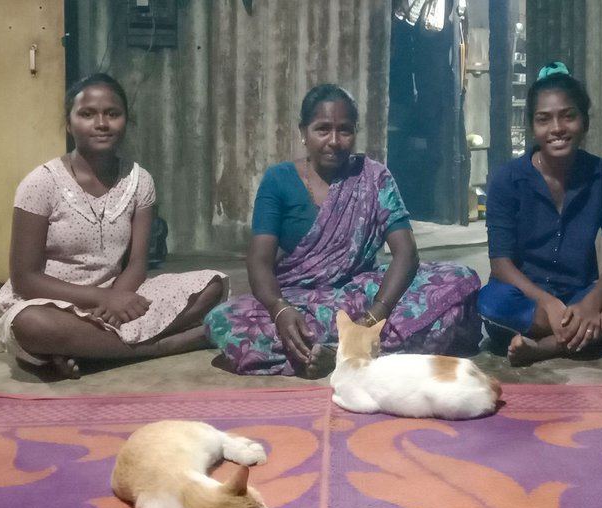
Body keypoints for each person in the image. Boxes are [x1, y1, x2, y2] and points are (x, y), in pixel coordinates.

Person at [204, 84, 481, 376]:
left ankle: (333, 353)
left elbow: (406, 253)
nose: (334, 141)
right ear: (303, 132)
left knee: (457, 280)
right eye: (322, 129)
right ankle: (357, 354)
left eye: (344, 130)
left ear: (355, 132)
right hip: (302, 299)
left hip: (364, 295)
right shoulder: (278, 180)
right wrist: (280, 308)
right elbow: (259, 260)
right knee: (224, 319)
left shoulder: (374, 177)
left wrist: (375, 317)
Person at [0, 73, 228, 379]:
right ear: (69, 123)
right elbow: (25, 278)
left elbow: (138, 263)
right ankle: (162, 346)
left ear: (126, 121)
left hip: (119, 293)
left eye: (112, 114)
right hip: (51, 301)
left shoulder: (139, 180)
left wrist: (116, 298)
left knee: (212, 285)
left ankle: (86, 350)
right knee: (31, 325)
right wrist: (102, 300)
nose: (101, 123)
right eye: (87, 114)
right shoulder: (41, 183)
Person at [478, 62, 602, 366]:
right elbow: (501, 264)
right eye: (544, 119)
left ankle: (550, 346)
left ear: (584, 122)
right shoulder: (507, 179)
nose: (557, 128)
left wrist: (592, 302)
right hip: (526, 299)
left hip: (582, 294)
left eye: (568, 116)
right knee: (490, 302)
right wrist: (547, 302)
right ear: (533, 127)